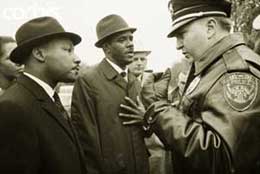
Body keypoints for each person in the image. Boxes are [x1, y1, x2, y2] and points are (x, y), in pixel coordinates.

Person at [119, 0, 260, 173]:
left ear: (210, 28)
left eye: (182, 34)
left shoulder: (236, 72)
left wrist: (158, 110)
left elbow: (221, 159)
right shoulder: (212, 67)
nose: (178, 44)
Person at [0, 16, 86, 174]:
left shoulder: (49, 97)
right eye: (67, 50)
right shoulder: (13, 107)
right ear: (39, 54)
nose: (77, 59)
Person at [71, 14, 149, 174]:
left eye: (131, 39)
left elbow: (145, 131)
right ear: (106, 48)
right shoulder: (88, 81)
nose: (130, 45)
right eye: (122, 40)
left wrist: (147, 120)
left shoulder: (134, 80)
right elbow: (86, 139)